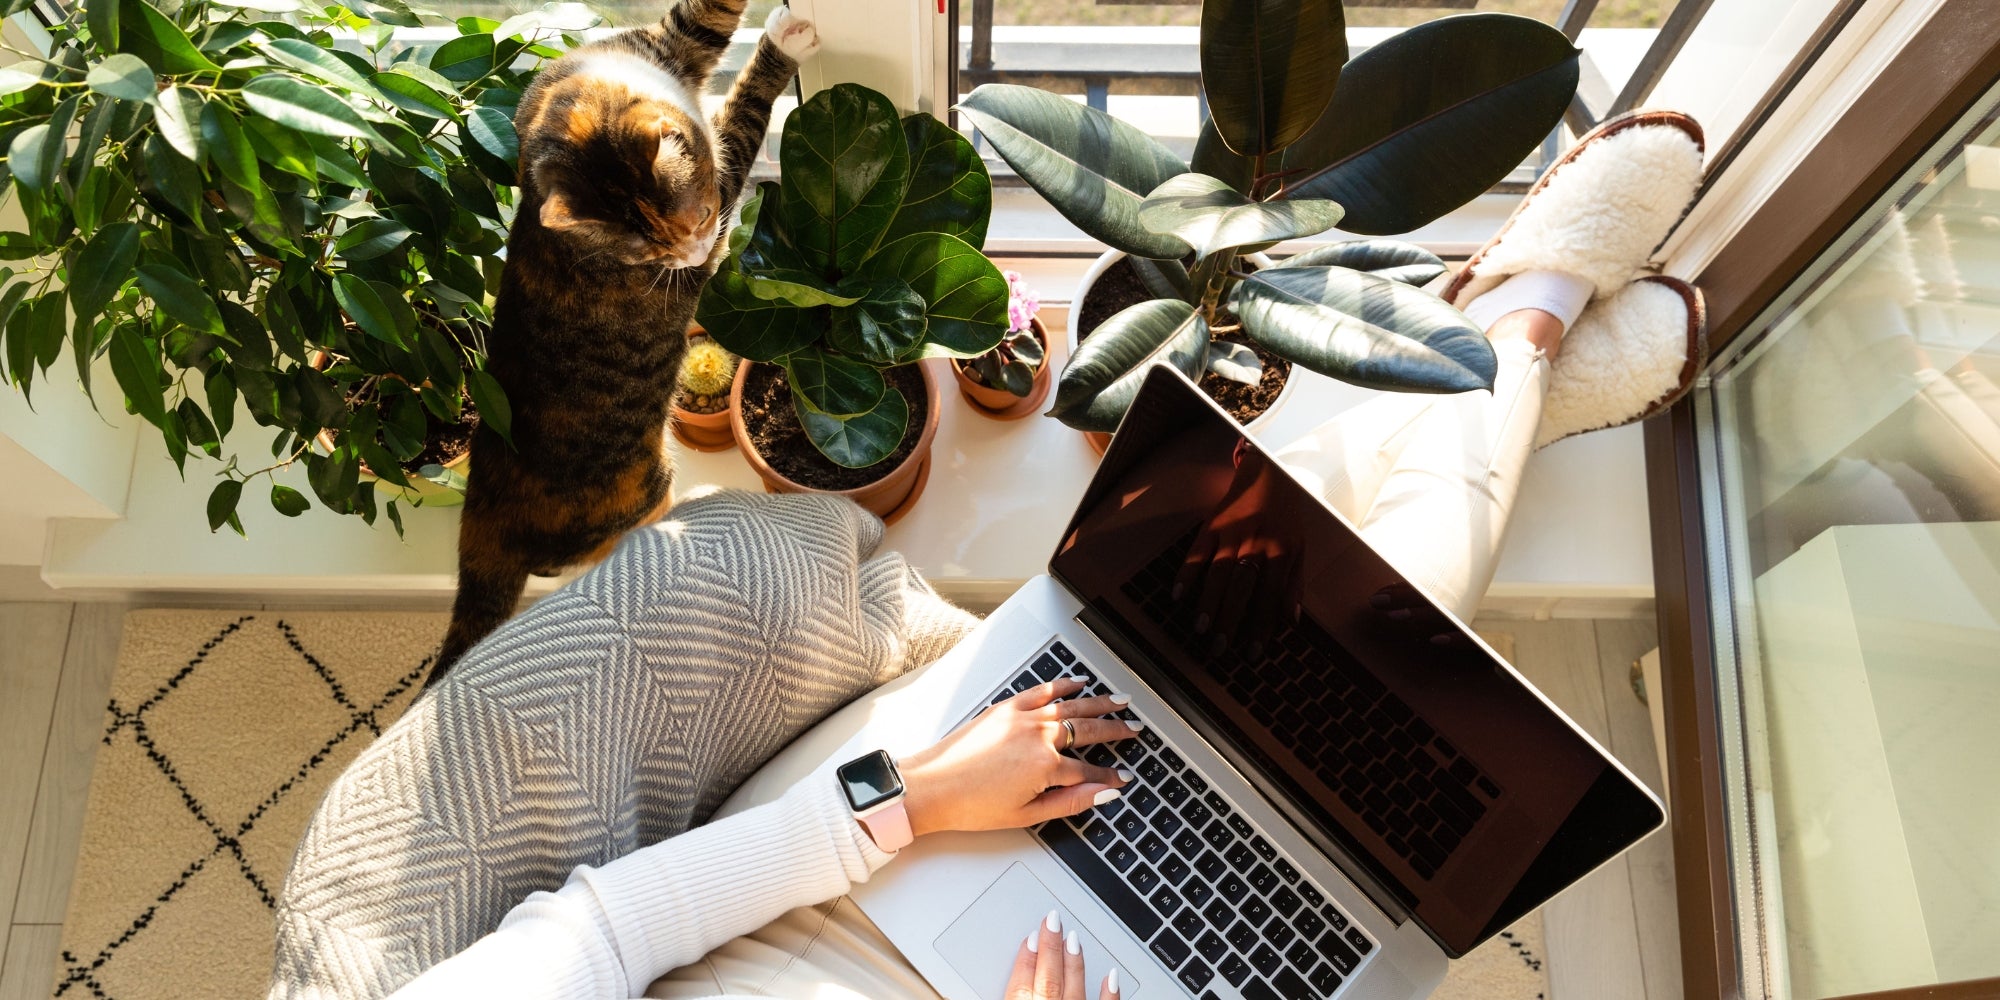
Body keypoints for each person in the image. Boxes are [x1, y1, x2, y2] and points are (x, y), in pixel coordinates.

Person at [267, 109, 1707, 1000]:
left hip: (823, 898)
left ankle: (1509, 337)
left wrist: (905, 800)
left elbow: (610, 926)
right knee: (1365, 698)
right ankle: (1509, 341)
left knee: (1274, 644)